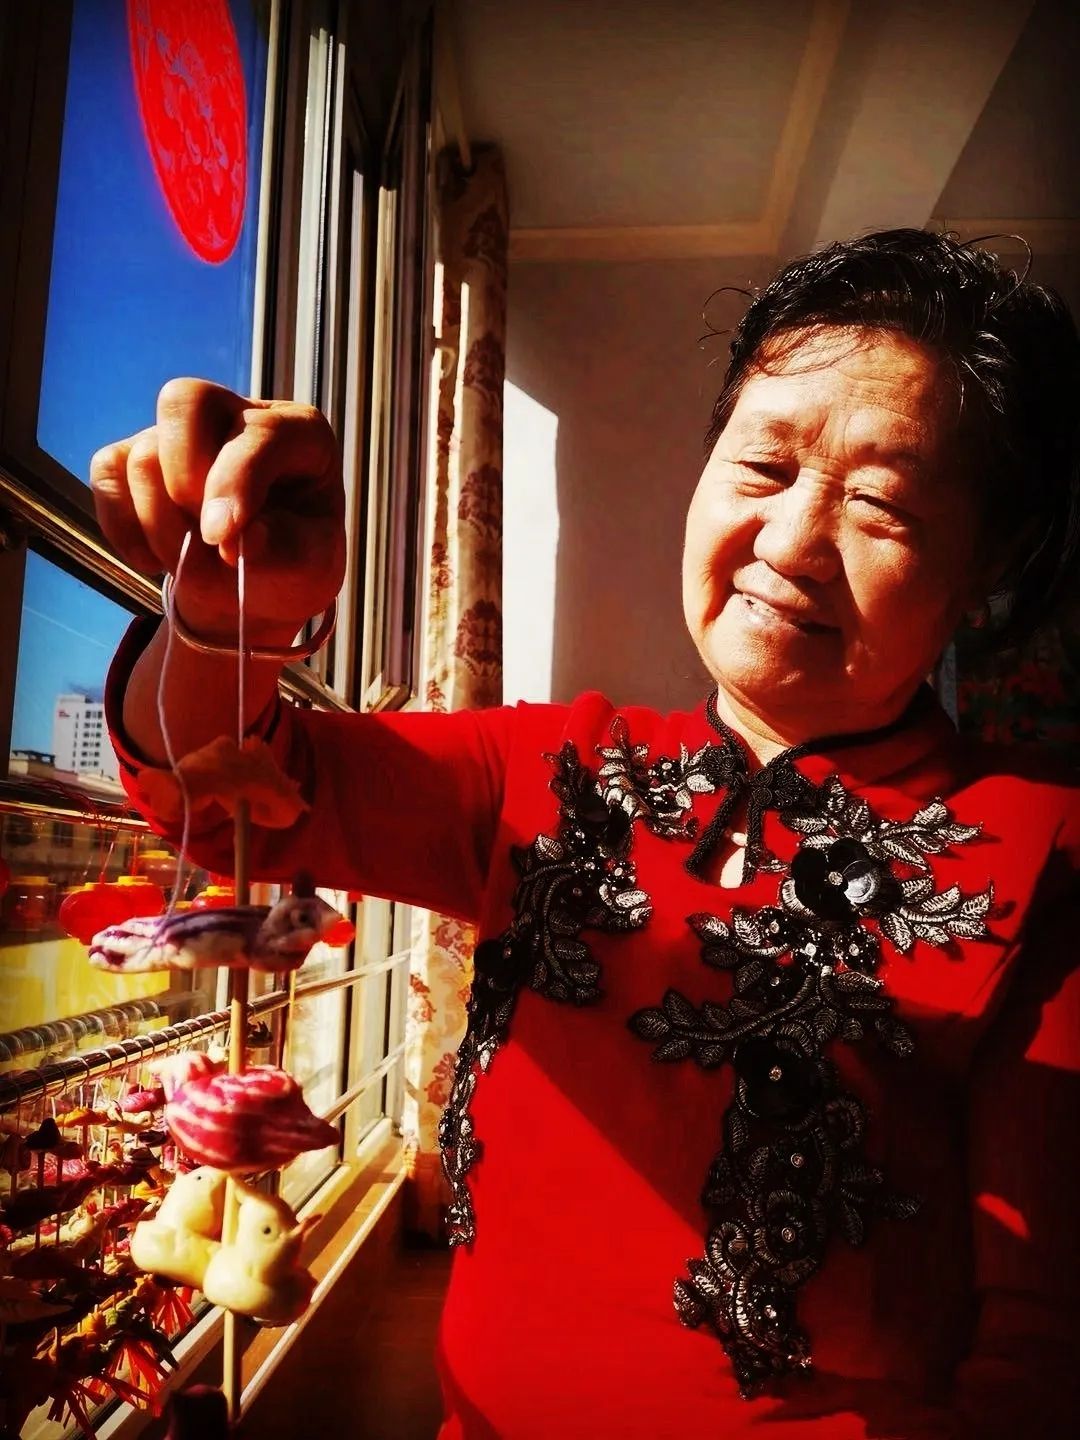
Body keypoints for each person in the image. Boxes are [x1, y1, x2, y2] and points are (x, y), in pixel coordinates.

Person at [95, 229, 1079, 1438]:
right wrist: (229, 611)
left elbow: (1040, 1353)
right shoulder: (549, 770)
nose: (787, 544)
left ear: (983, 570)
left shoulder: (1046, 850)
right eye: (763, 466)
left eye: (881, 504)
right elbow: (227, 790)